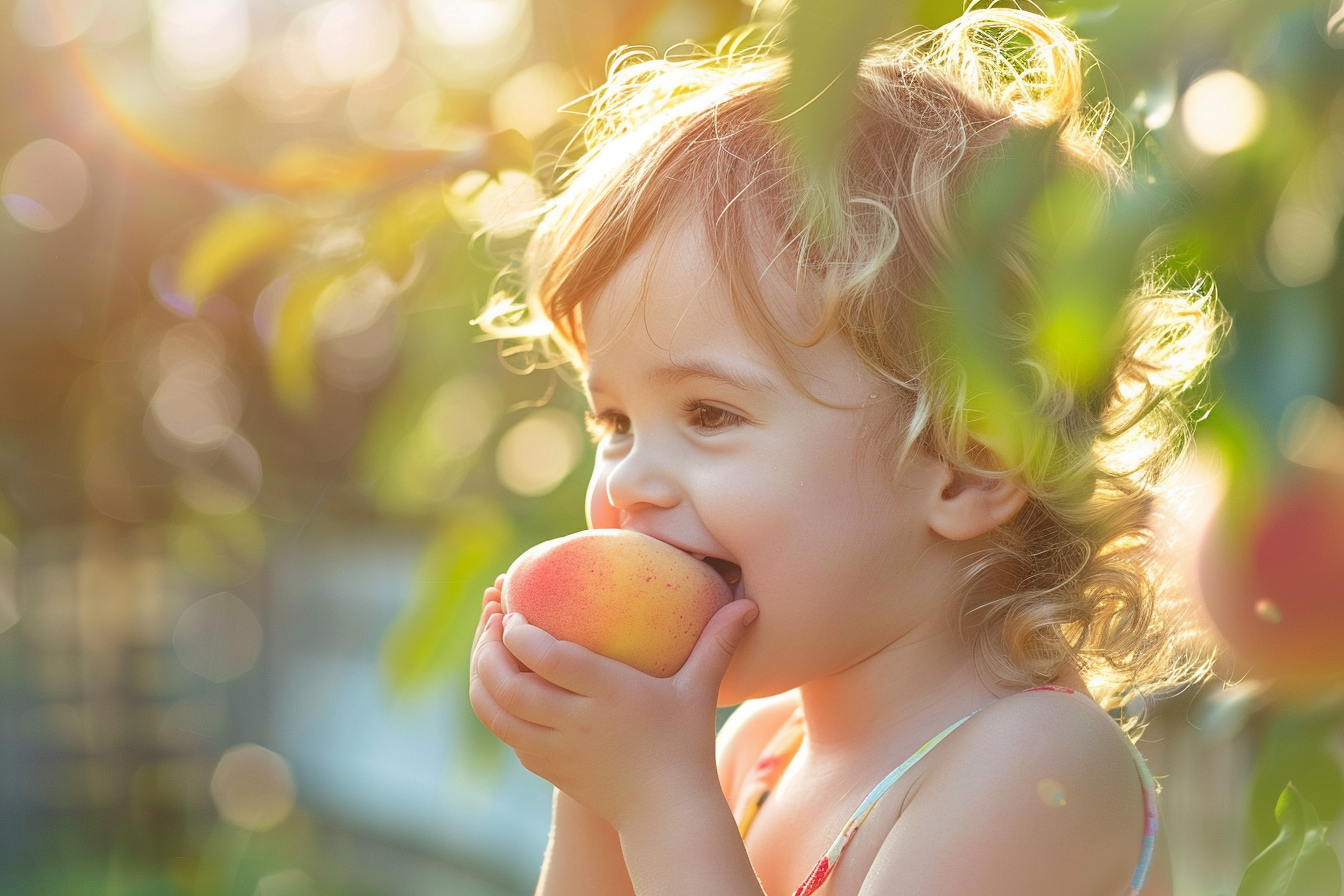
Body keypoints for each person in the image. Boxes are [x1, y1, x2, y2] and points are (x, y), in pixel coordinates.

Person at [468, 7, 1224, 894]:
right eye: (616, 424)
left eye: (709, 414)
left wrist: (657, 803)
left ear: (970, 462)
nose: (629, 481)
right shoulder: (761, 751)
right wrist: (594, 791)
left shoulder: (1037, 768)